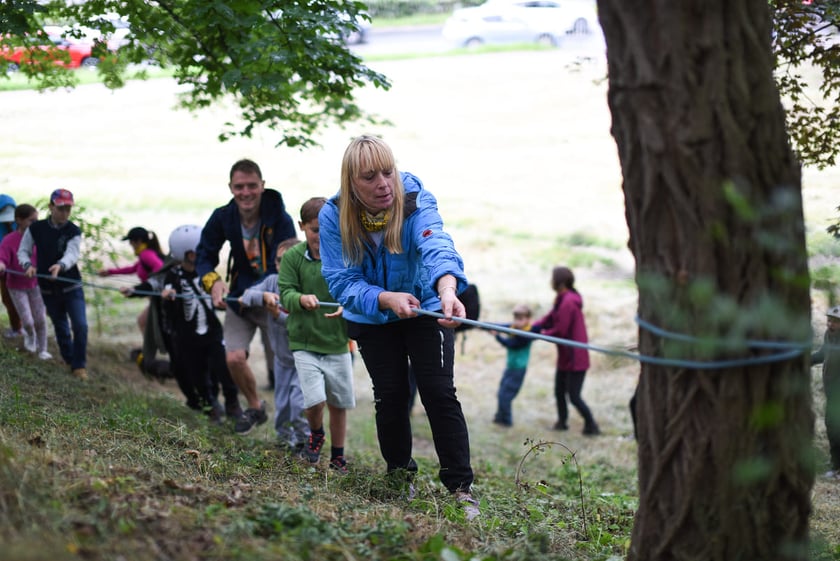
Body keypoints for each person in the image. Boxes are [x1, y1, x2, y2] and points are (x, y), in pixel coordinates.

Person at [319, 135, 478, 514]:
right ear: (351, 183)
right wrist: (383, 298)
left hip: (425, 306)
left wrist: (448, 289)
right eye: (370, 177)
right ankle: (399, 477)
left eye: (387, 172)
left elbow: (436, 242)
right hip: (373, 316)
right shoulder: (333, 215)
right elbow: (341, 281)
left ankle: (460, 489)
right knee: (390, 396)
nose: (383, 184)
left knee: (439, 392)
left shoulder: (413, 197)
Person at [195, 158, 297, 435]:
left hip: (272, 299)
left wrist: (265, 294)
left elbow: (287, 263)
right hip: (239, 299)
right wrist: (213, 283)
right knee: (234, 358)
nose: (246, 192)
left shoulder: (280, 218)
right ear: (230, 188)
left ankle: (292, 430)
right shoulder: (222, 217)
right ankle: (255, 406)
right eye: (239, 186)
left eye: (252, 186)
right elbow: (204, 256)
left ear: (262, 186)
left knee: (284, 365)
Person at [279, 197, 355, 473]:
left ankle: (338, 455)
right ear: (302, 227)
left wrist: (349, 306)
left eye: (327, 228)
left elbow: (356, 290)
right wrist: (300, 299)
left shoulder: (347, 255)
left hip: (337, 343)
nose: (320, 236)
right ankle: (316, 432)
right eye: (314, 229)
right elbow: (285, 293)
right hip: (305, 343)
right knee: (314, 399)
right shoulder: (293, 258)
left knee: (339, 402)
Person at [159, 224, 241, 423]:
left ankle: (232, 404)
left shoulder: (207, 274)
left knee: (222, 368)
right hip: (187, 336)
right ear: (187, 253)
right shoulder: (173, 276)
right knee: (197, 373)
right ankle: (209, 405)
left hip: (213, 332)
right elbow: (167, 301)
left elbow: (218, 296)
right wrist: (167, 297)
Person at [239, 236, 310, 452]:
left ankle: (304, 441)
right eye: (279, 261)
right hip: (281, 358)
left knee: (299, 404)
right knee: (282, 404)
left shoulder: (306, 288)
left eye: (287, 261)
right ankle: (283, 440)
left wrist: (277, 314)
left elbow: (301, 325)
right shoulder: (272, 282)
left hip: (303, 358)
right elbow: (246, 296)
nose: (281, 266)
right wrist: (263, 296)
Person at [18, 189, 88, 380]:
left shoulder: (73, 231)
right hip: (47, 287)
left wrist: (61, 265)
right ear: (51, 207)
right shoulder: (36, 228)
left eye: (68, 209)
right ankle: (69, 359)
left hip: (71, 285)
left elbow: (73, 254)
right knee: (60, 324)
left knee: (80, 325)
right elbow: (23, 251)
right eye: (61, 208)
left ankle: (79, 365)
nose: (65, 212)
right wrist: (28, 265)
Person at [532, 266, 600, 436]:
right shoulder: (561, 298)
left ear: (559, 282)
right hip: (565, 356)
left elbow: (560, 330)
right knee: (559, 391)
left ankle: (592, 425)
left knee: (574, 396)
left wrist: (541, 334)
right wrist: (534, 326)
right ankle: (562, 422)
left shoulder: (568, 301)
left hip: (575, 356)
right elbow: (550, 318)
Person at [0, 204, 51, 359]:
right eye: (31, 220)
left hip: (35, 285)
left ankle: (43, 349)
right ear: (19, 220)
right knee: (28, 321)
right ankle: (30, 339)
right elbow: (3, 258)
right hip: (16, 287)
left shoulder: (39, 238)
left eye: (37, 220)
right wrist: (1, 265)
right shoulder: (9, 240)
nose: (35, 224)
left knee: (40, 318)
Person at [98, 226, 165, 337]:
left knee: (143, 322)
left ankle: (148, 352)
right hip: (157, 298)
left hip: (161, 298)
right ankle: (149, 351)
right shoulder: (146, 254)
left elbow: (160, 268)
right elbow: (132, 269)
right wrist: (109, 272)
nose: (130, 245)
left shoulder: (146, 255)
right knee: (144, 322)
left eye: (130, 241)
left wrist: (142, 288)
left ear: (138, 241)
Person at [490, 304, 534, 427]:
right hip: (510, 367)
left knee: (505, 395)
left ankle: (506, 421)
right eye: (516, 319)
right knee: (501, 392)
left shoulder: (527, 333)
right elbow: (504, 326)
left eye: (520, 319)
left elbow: (510, 344)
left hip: (518, 369)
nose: (517, 322)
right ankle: (500, 417)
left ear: (528, 319)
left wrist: (497, 336)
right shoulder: (514, 327)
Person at [812, 305, 840, 479]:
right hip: (831, 393)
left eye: (836, 322)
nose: (830, 324)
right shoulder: (829, 336)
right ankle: (835, 463)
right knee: (831, 428)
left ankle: (837, 467)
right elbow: (822, 354)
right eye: (829, 320)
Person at [0, 194, 23, 339]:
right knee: (6, 299)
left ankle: (19, 328)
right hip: (2, 269)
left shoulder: (21, 225)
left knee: (15, 300)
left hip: (17, 269)